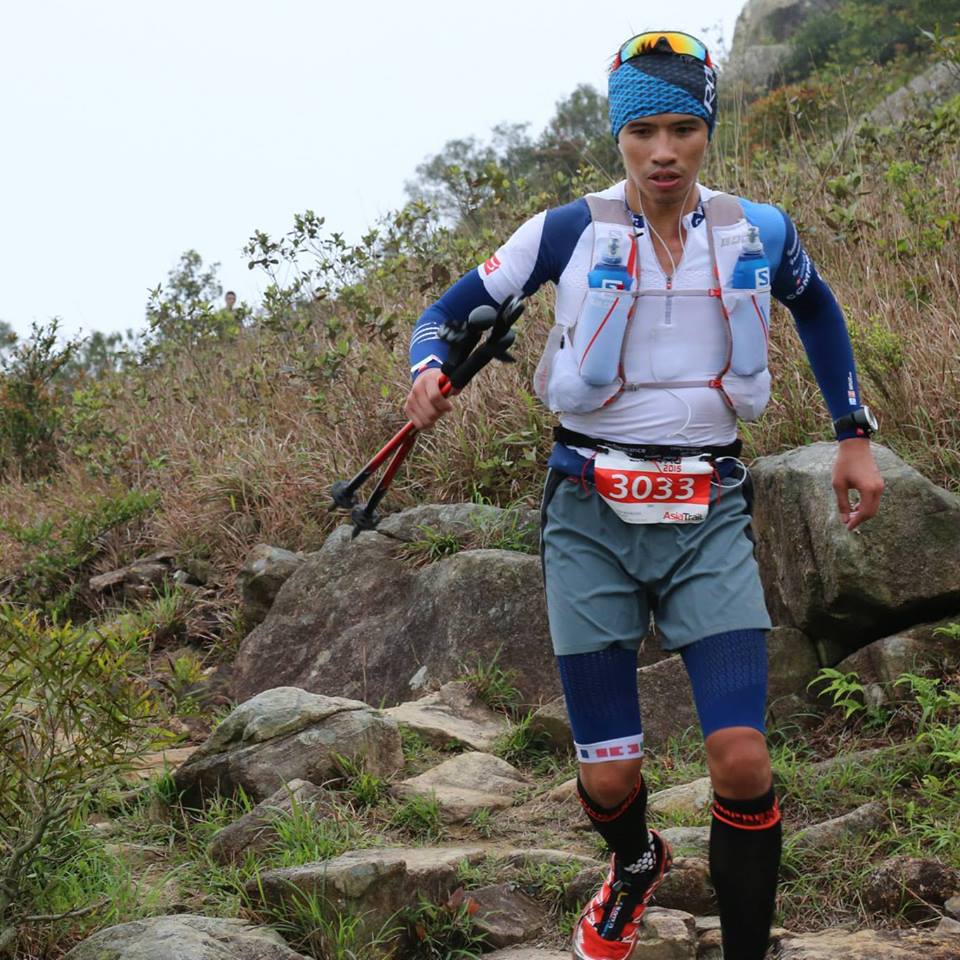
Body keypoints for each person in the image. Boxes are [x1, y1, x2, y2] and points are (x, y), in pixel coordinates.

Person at [405, 30, 883, 960]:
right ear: (618, 137)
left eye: (682, 130)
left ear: (707, 130)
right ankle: (634, 862)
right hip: (589, 511)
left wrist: (852, 435)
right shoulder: (566, 231)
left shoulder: (758, 230)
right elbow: (449, 311)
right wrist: (428, 369)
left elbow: (818, 307)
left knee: (742, 758)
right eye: (642, 133)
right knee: (612, 777)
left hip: (709, 509)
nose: (663, 152)